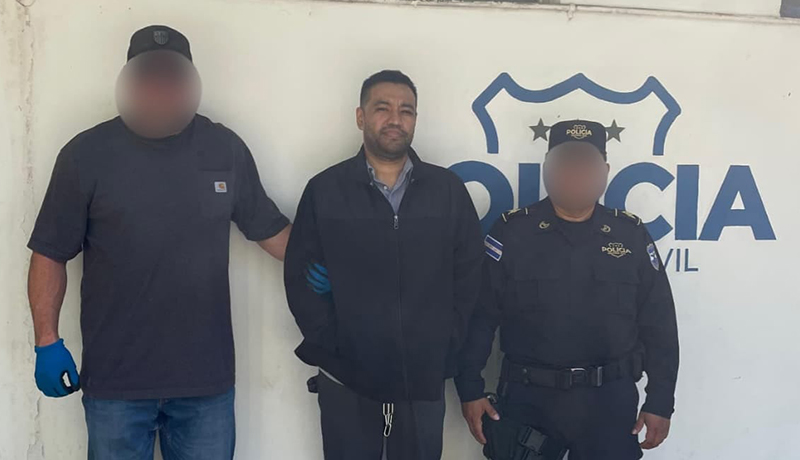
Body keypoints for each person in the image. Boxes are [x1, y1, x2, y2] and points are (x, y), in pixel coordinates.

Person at [27, 25, 290, 460]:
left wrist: (329, 264)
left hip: (205, 383)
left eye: (172, 78)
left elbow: (269, 230)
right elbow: (50, 252)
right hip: (116, 383)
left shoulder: (223, 148)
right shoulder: (86, 154)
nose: (160, 89)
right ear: (129, 83)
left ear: (189, 84)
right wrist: (47, 342)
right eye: (149, 78)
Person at [284, 70, 484, 460]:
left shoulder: (447, 191)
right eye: (383, 108)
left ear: (415, 120)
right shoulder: (325, 190)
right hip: (346, 378)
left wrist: (443, 344)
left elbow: (469, 278)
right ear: (360, 117)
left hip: (422, 378)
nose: (395, 119)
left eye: (406, 110)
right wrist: (338, 348)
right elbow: (301, 281)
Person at [456, 120, 679, 460]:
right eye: (565, 163)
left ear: (605, 171)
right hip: (528, 402)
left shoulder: (630, 235)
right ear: (547, 169)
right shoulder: (513, 232)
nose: (576, 174)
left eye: (586, 164)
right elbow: (479, 316)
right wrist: (469, 388)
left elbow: (658, 323)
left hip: (609, 404)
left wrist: (660, 400)